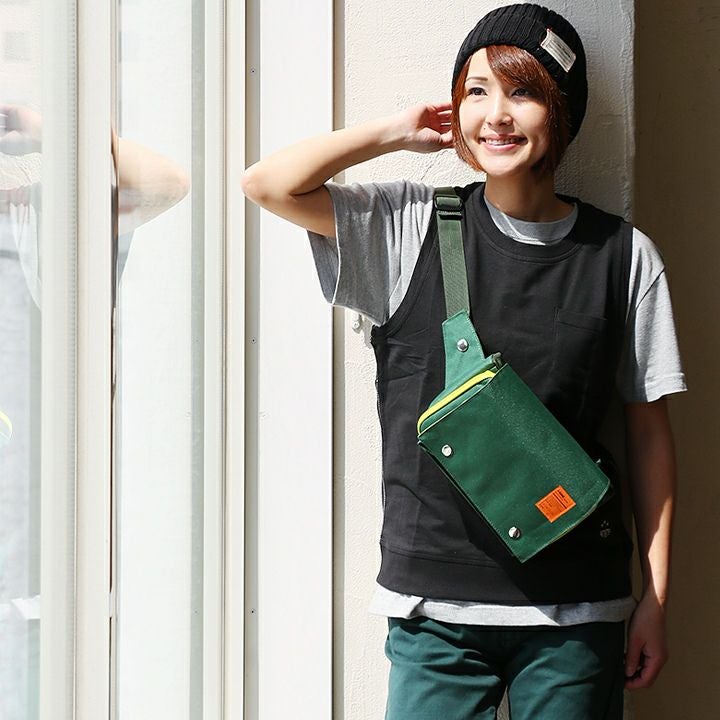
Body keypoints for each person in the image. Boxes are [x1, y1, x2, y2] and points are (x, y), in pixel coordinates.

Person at [241, 4, 686, 718]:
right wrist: (397, 132)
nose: (496, 115)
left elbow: (649, 434)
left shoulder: (623, 256)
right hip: (433, 614)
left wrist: (656, 599)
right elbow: (268, 184)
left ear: (561, 111)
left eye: (523, 91)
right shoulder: (411, 225)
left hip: (576, 612)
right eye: (476, 91)